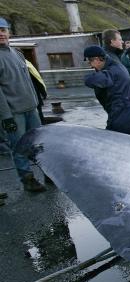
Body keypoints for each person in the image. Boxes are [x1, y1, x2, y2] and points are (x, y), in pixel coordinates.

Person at [0, 16, 47, 192]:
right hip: (14, 113)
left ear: (8, 32)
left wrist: (37, 103)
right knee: (19, 147)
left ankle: (49, 173)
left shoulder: (17, 53)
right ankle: (27, 178)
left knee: (38, 144)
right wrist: (6, 117)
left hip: (31, 109)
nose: (1, 34)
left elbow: (29, 81)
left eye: (3, 30)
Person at [83, 45, 130, 137]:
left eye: (90, 62)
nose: (90, 65)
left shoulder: (113, 70)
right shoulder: (114, 65)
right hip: (128, 110)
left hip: (121, 113)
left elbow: (92, 80)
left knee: (112, 141)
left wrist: (86, 78)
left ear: (97, 59)